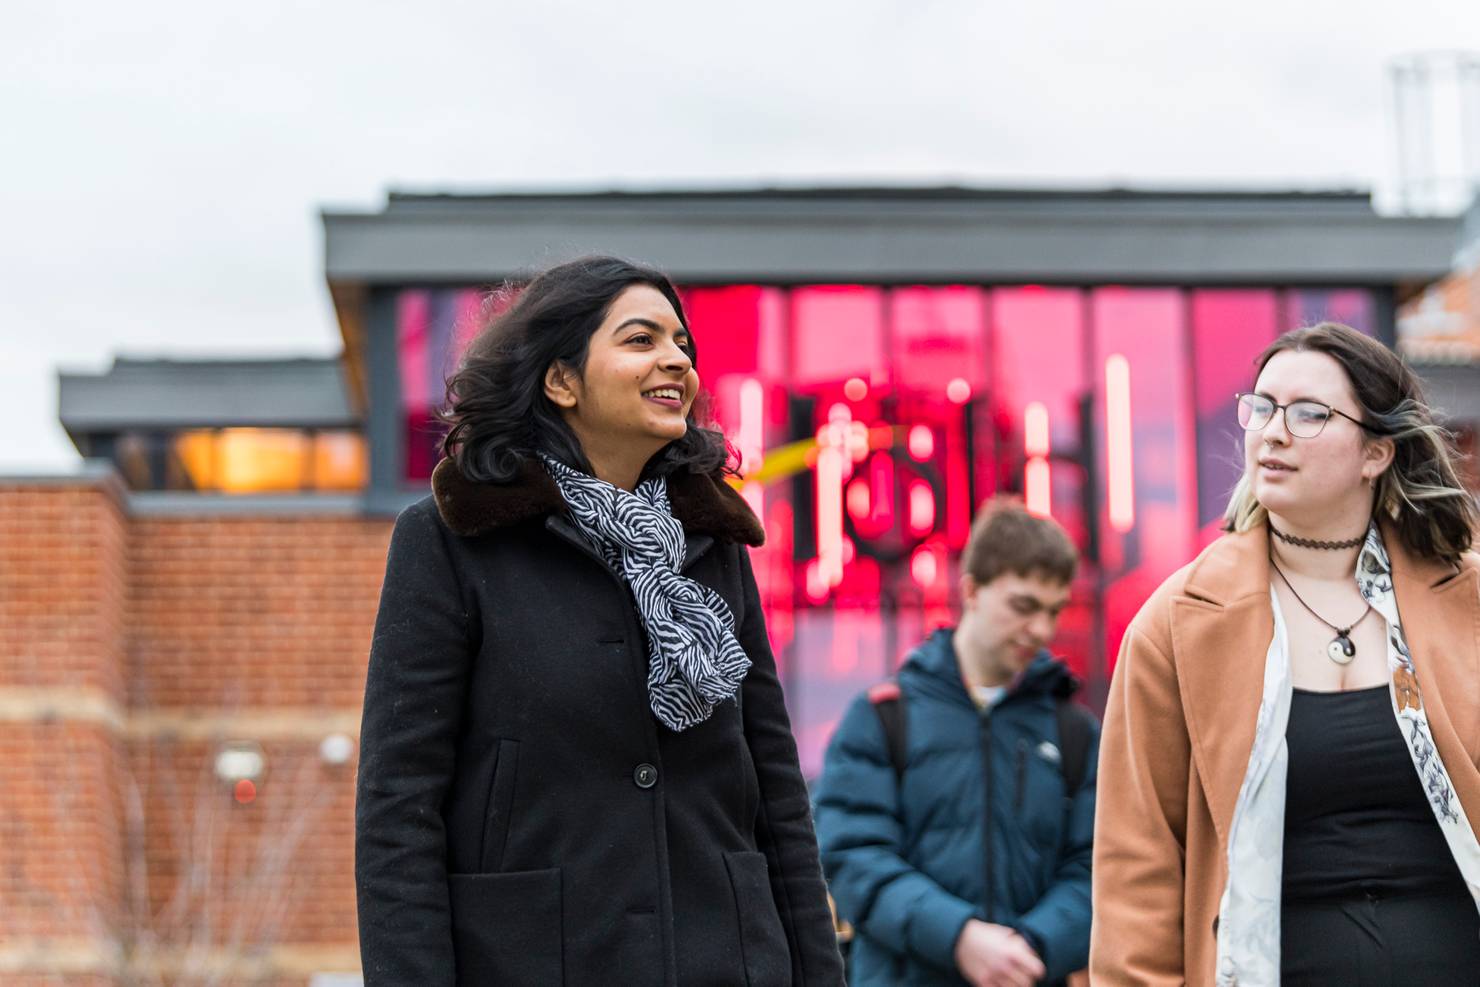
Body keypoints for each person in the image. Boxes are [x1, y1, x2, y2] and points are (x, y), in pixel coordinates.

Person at [354, 256, 844, 986]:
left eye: (682, 343)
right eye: (641, 339)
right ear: (561, 379)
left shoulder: (712, 546)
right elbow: (398, 812)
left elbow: (776, 793)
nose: (675, 358)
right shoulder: (451, 542)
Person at [1091, 322, 1480, 985]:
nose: (1271, 431)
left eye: (1308, 414)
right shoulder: (1179, 625)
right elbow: (1137, 869)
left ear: (1376, 453)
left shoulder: (1466, 600)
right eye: (1262, 407)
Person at [814, 500, 1098, 987]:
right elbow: (851, 855)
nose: (1043, 630)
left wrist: (1031, 947)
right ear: (971, 591)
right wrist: (959, 937)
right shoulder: (883, 717)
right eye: (1024, 606)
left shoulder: (1075, 731)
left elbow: (1098, 867)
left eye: (1054, 611)